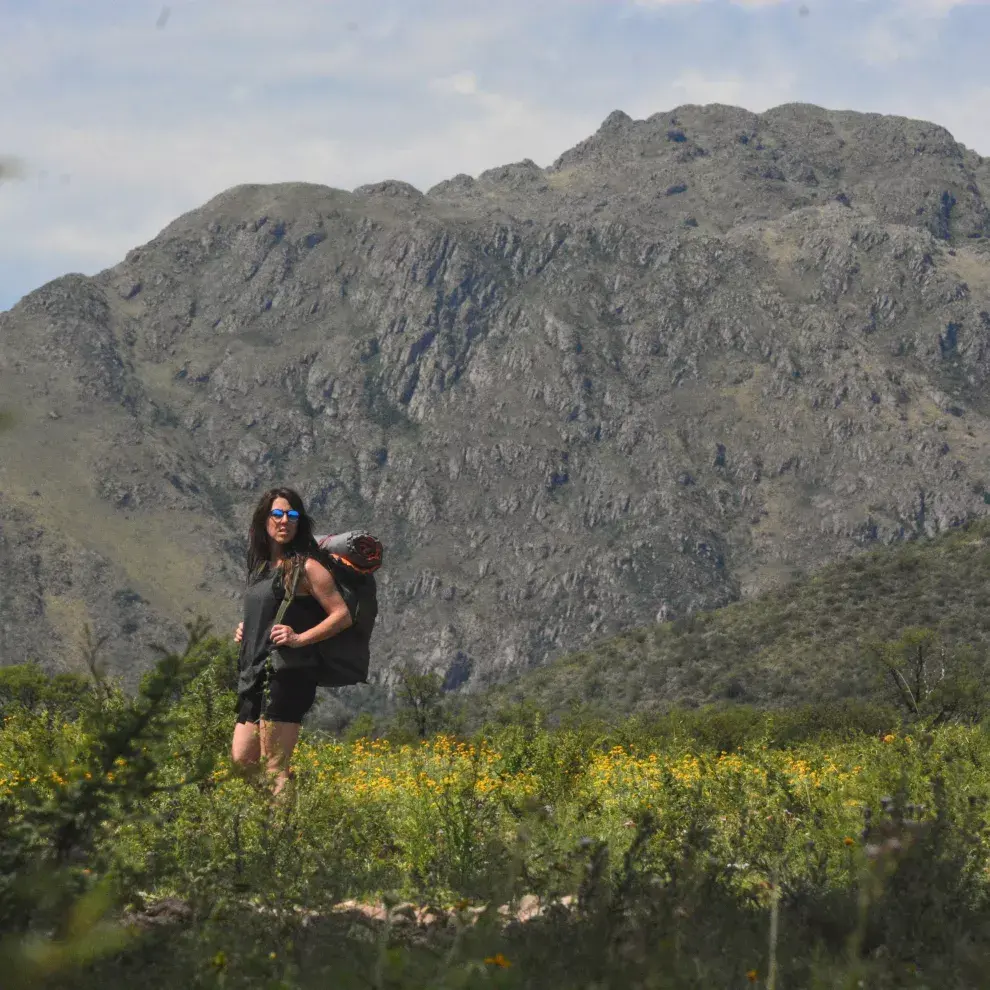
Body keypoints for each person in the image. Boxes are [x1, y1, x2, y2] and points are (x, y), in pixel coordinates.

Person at [232, 487, 353, 795]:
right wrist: (248, 628)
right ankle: (264, 826)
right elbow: (268, 609)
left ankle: (281, 837)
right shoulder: (261, 567)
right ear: (264, 520)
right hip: (254, 674)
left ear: (300, 523)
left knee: (274, 767)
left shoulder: (307, 567)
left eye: (292, 515)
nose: (284, 520)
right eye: (277, 514)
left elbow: (342, 615)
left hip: (287, 674)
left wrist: (299, 638)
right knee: (242, 760)